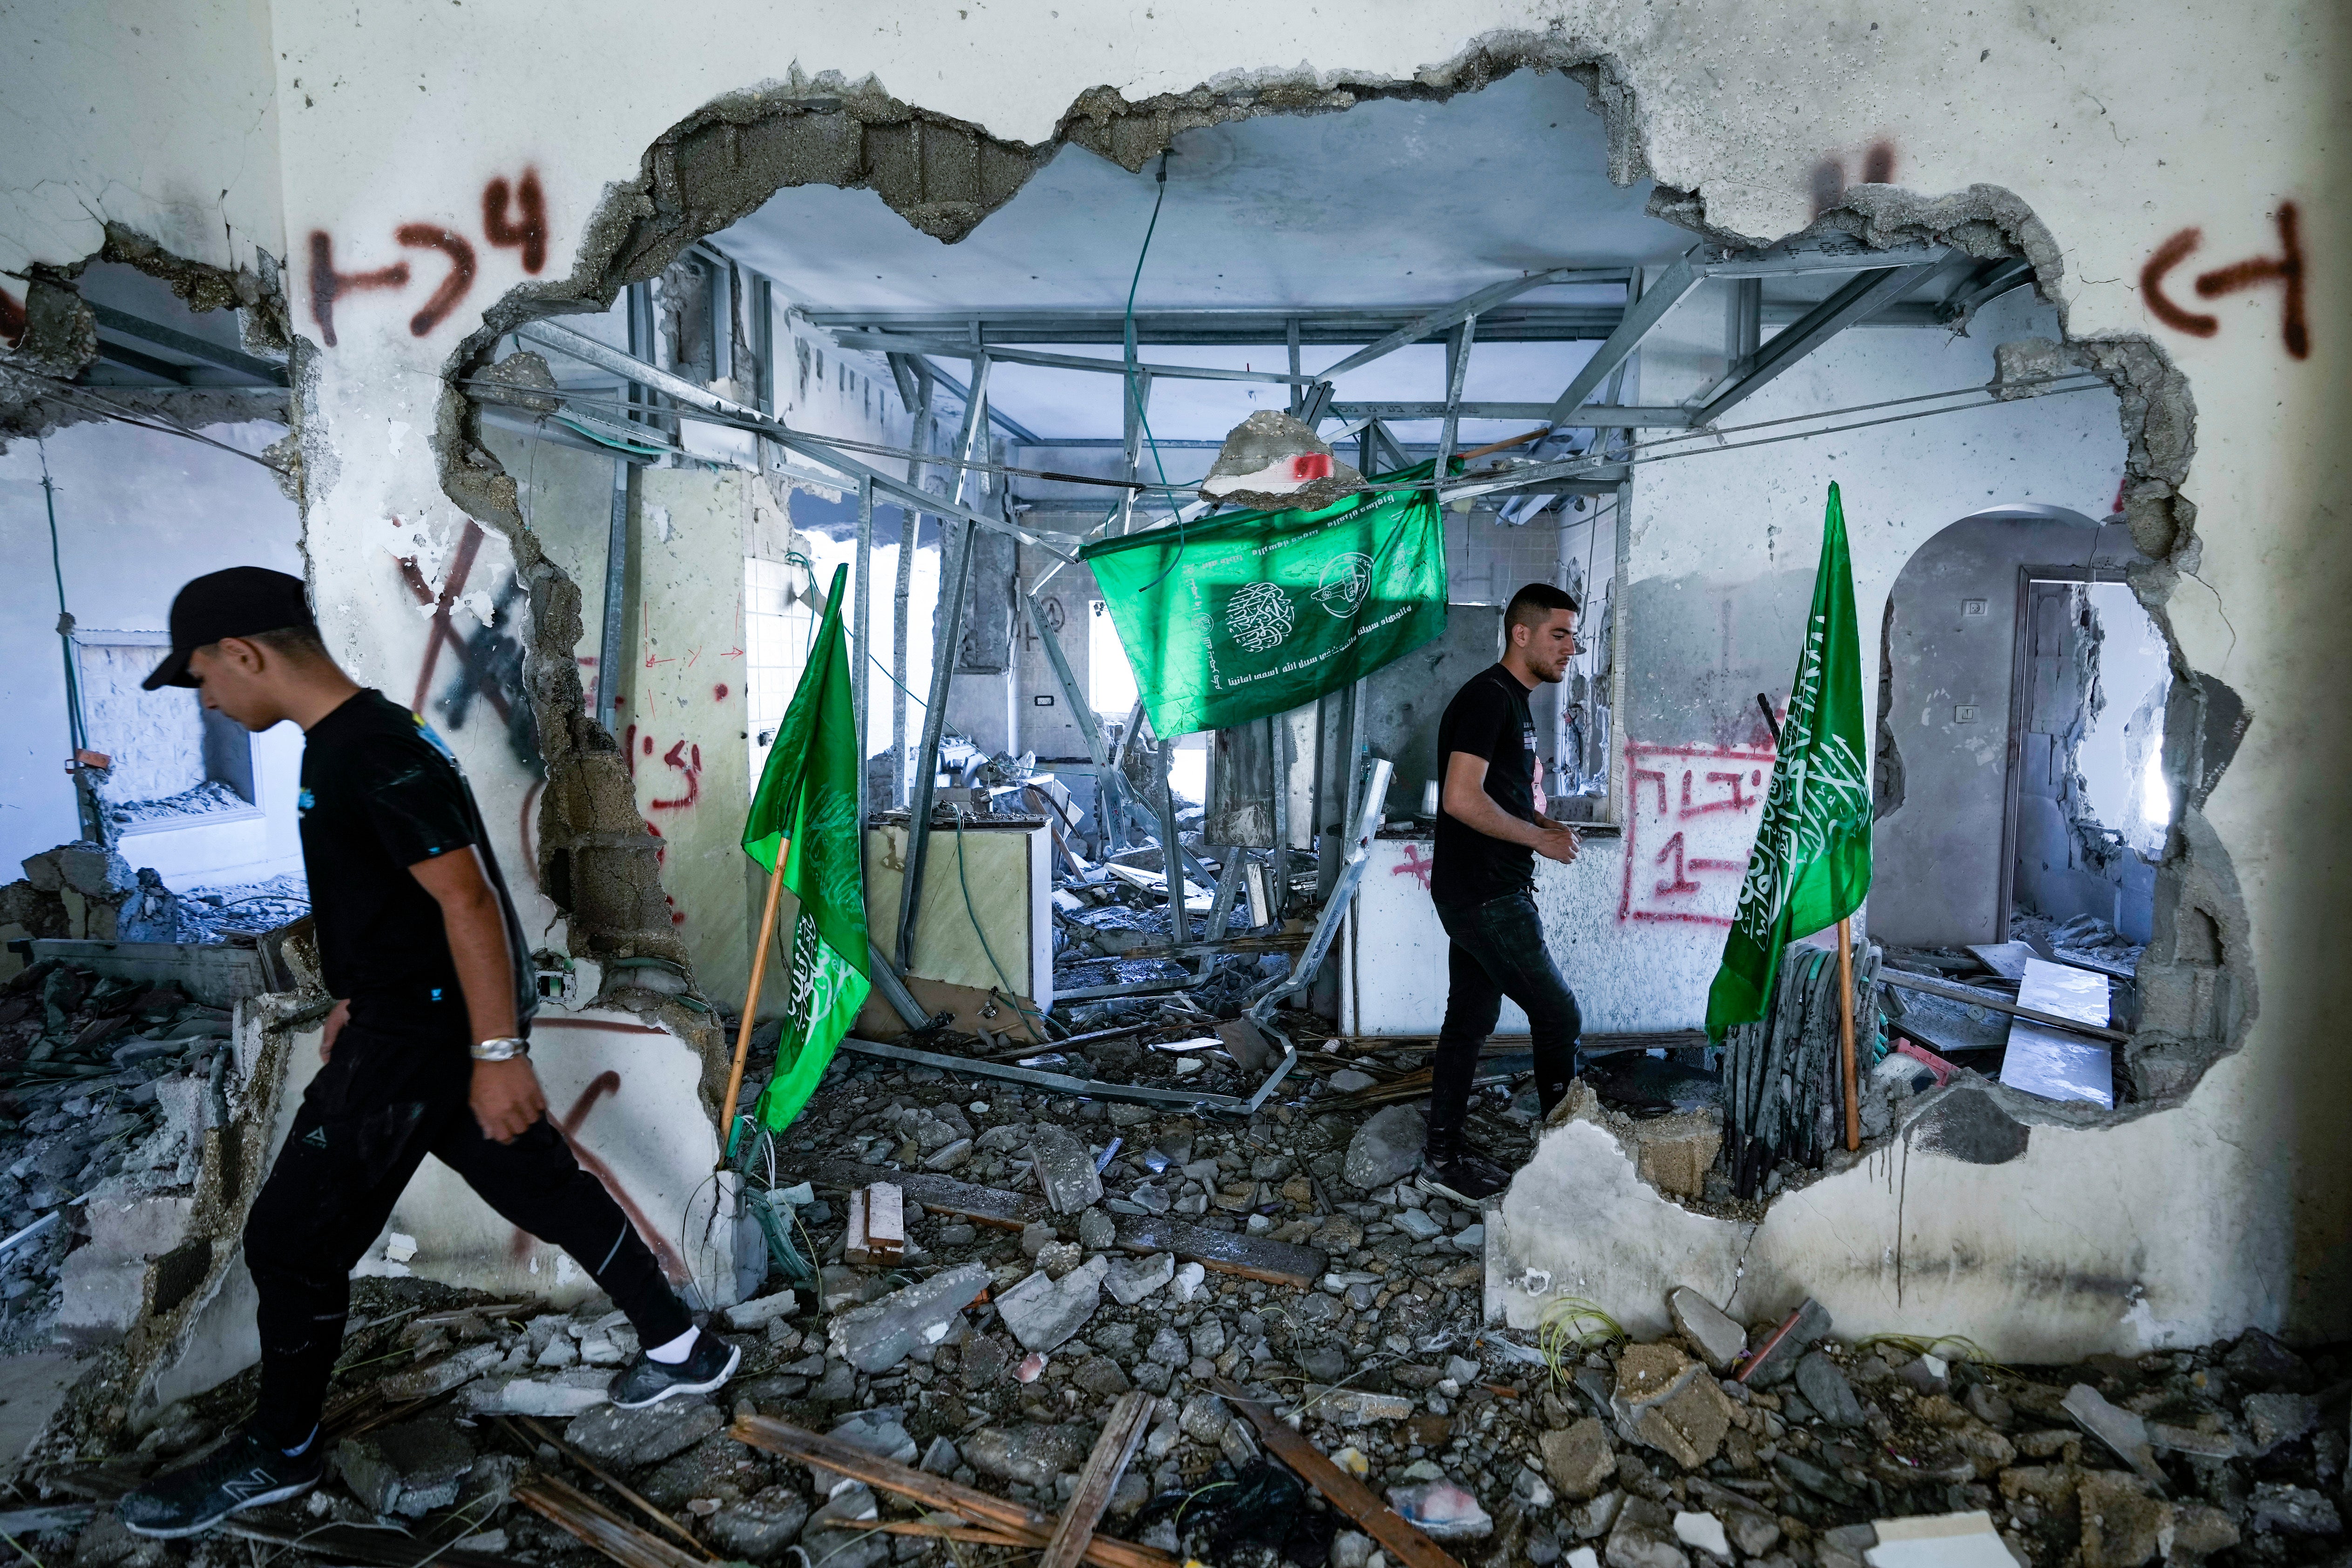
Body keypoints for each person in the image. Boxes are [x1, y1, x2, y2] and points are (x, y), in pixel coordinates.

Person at [118, 568, 738, 1540]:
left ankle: (280, 1451)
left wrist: (498, 1052)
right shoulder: (367, 736)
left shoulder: (364, 749)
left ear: (243, 653)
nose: (209, 701)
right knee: (546, 1189)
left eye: (202, 678)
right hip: (409, 1020)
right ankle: (680, 1346)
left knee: (290, 1241)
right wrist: (357, 993)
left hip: (415, 1041)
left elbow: (468, 900)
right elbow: (399, 895)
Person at [1421, 581, 1587, 1203]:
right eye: (1559, 634)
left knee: (1469, 1020)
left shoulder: (1513, 701)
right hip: (1487, 894)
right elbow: (1461, 798)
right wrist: (1538, 840)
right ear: (1522, 634)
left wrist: (1541, 822)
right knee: (1559, 1015)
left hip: (1480, 889)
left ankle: (1441, 1158)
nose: (1571, 648)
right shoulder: (1489, 699)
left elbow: (1497, 793)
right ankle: (1564, 1167)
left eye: (1573, 635)